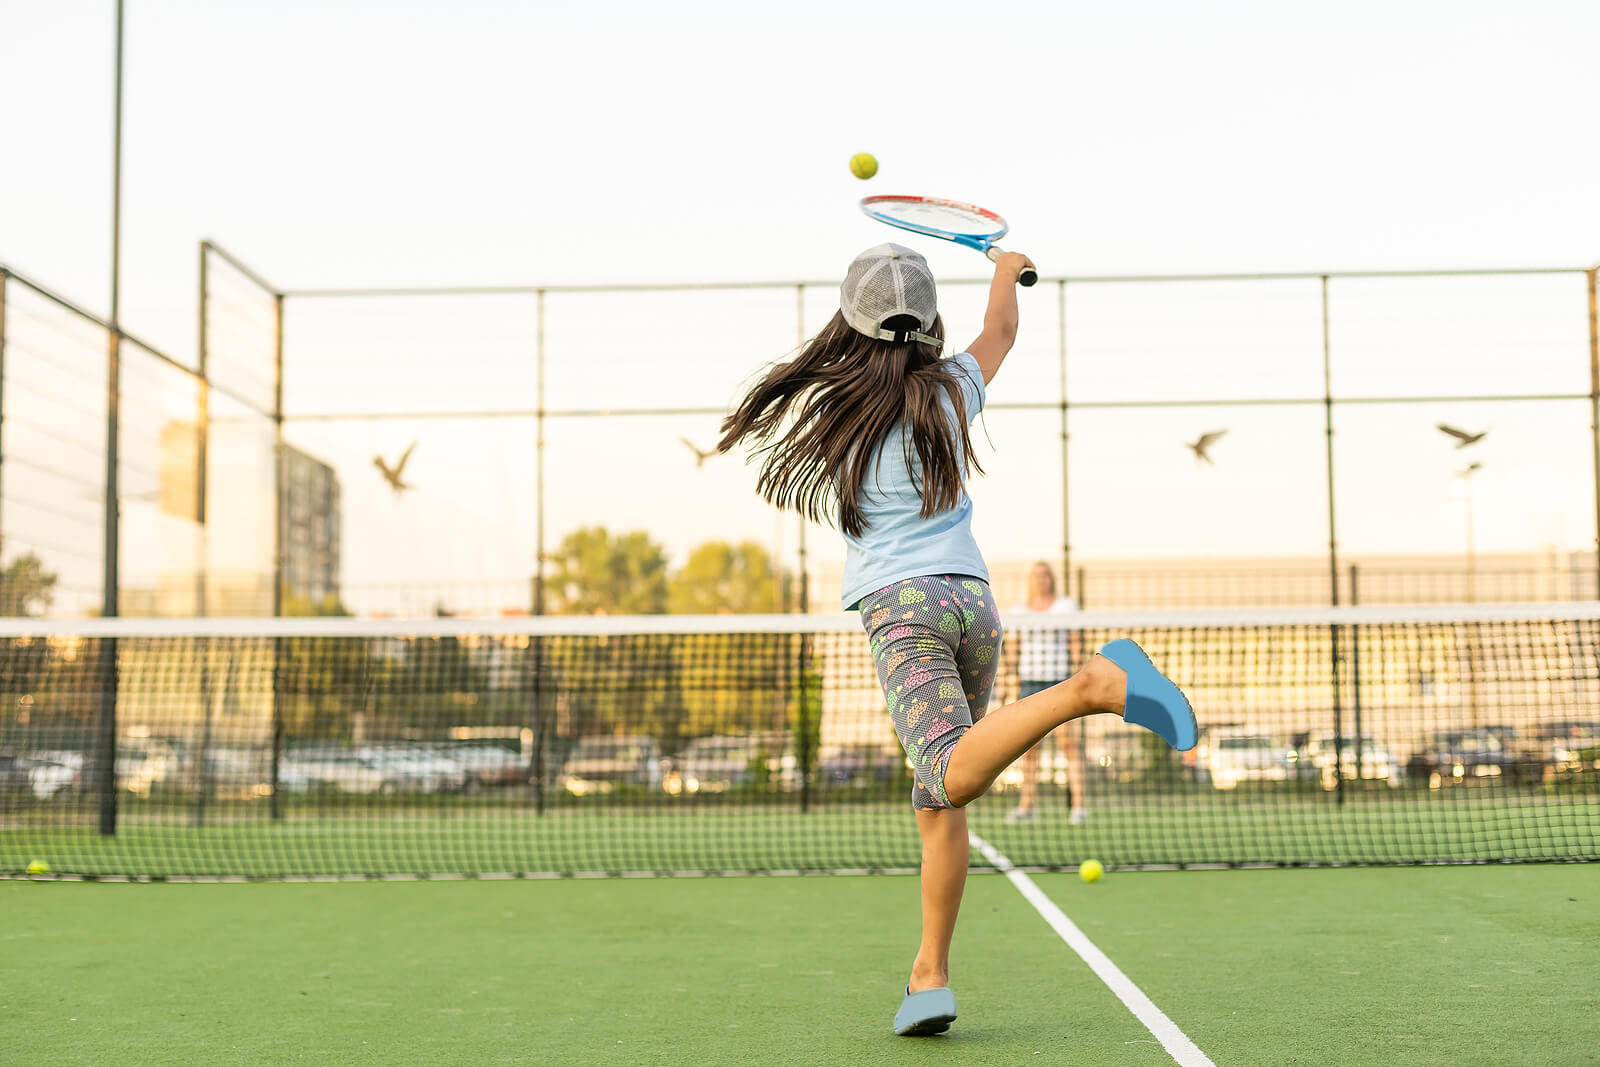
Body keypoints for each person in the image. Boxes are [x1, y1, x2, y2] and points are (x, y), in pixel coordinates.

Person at [717, 243, 1196, 1038]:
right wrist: (1005, 270)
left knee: (947, 771)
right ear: (928, 320)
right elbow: (999, 331)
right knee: (937, 797)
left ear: (849, 323)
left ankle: (1091, 684)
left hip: (905, 613)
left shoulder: (836, 402)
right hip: (973, 605)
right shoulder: (948, 391)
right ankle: (928, 976)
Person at [1001, 561, 1088, 825]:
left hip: (1060, 681)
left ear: (1052, 579)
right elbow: (1013, 651)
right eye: (1036, 576)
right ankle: (1027, 807)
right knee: (1028, 749)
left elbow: (1075, 643)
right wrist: (1007, 680)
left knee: (1069, 745)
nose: (1041, 580)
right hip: (1029, 683)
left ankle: (1079, 807)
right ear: (1030, 581)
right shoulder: (1019, 611)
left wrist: (1080, 677)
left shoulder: (1066, 607)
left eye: (1045, 576)